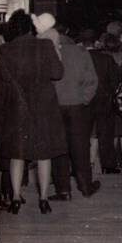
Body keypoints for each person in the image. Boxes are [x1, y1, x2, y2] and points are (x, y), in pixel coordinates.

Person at [0, 9, 66, 214]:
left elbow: (4, 80)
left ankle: (15, 197)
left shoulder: (7, 50)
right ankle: (43, 199)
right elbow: (58, 74)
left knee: (18, 153)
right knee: (44, 154)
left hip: (18, 106)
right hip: (44, 106)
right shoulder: (45, 45)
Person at [42, 15, 100, 199]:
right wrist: (84, 99)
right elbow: (92, 80)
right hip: (77, 106)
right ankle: (85, 185)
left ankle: (63, 190)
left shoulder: (47, 52)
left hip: (55, 106)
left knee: (59, 148)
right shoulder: (81, 52)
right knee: (80, 146)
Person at [89, 33, 122, 174]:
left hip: (87, 100)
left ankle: (88, 162)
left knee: (87, 133)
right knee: (106, 133)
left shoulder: (83, 57)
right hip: (104, 99)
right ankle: (107, 164)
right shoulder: (106, 59)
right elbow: (115, 81)